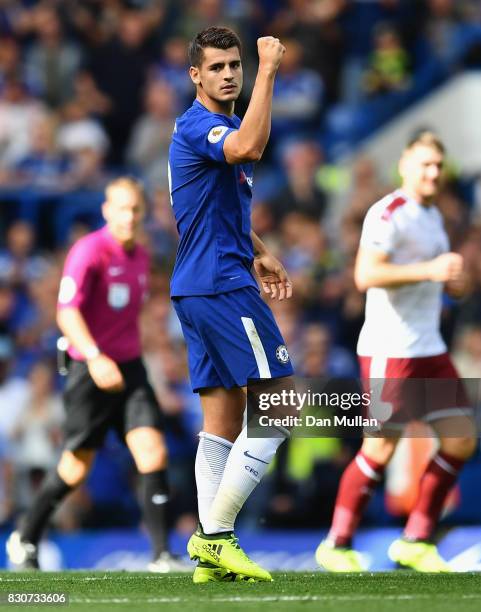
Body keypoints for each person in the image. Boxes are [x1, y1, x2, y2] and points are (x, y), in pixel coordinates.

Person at [6, 177, 186, 572]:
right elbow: (66, 312)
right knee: (75, 466)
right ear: (106, 210)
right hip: (90, 368)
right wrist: (95, 355)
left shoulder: (142, 254)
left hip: (130, 366)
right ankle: (27, 534)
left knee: (152, 451)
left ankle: (161, 555)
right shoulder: (89, 252)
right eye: (121, 208)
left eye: (135, 209)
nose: (129, 216)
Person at [315, 131, 476, 573]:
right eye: (424, 164)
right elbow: (366, 274)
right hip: (392, 350)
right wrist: (431, 269)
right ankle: (337, 542)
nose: (432, 173)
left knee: (462, 439)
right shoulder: (388, 213)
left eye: (439, 167)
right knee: (379, 451)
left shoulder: (433, 219)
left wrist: (456, 285)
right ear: (404, 163)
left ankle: (416, 538)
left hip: (430, 347)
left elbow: (439, 283)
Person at [168, 27, 295, 583]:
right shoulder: (206, 126)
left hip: (201, 284)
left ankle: (208, 558)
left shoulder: (202, 128)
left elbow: (210, 209)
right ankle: (215, 535)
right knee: (283, 407)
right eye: (216, 67)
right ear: (195, 75)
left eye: (236, 66)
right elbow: (249, 145)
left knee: (220, 423)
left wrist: (258, 250)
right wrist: (268, 70)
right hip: (220, 286)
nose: (228, 74)